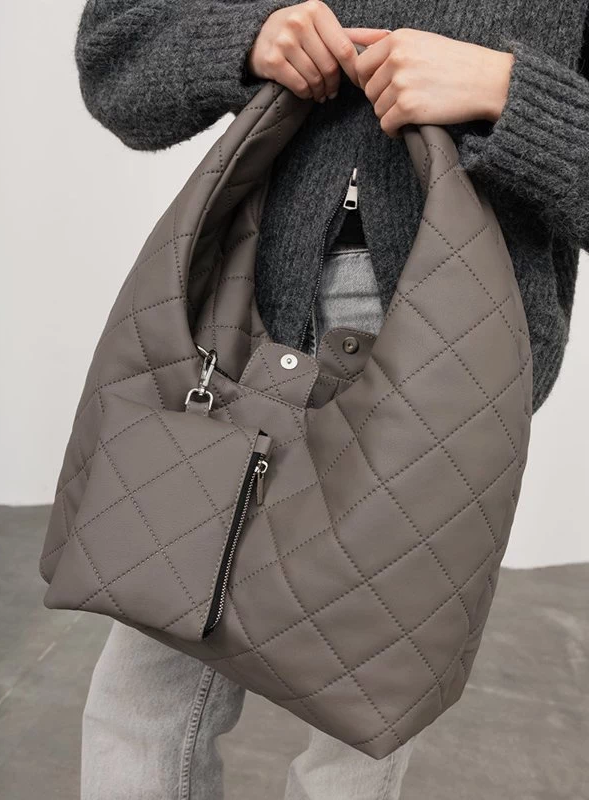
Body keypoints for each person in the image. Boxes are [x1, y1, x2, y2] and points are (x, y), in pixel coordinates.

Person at [75, 1, 589, 797]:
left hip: (445, 380)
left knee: (353, 752)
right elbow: (115, 51)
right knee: (143, 704)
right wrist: (246, 38)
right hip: (240, 333)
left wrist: (508, 92)